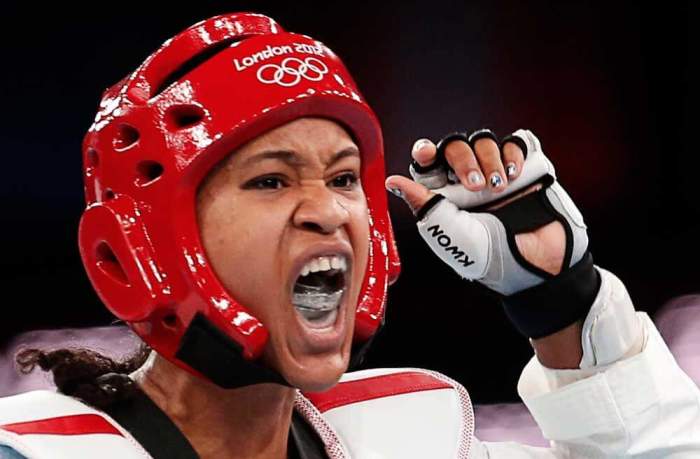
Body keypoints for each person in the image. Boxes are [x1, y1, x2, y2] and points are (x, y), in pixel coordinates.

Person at [0, 12, 698, 459]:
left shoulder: (408, 433)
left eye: (341, 179)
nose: (329, 211)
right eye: (272, 181)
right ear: (136, 256)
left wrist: (563, 309)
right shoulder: (38, 453)